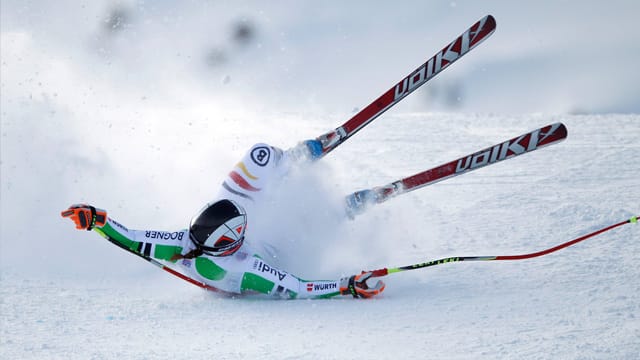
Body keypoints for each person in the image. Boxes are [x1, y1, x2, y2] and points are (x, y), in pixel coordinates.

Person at [61, 140, 385, 299]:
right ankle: (338, 211)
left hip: (235, 229)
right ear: (232, 244)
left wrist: (96, 220)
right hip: (274, 249)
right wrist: (347, 286)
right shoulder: (246, 268)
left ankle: (294, 161)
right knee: (301, 225)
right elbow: (299, 288)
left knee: (262, 153)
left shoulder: (185, 241)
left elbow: (132, 239)